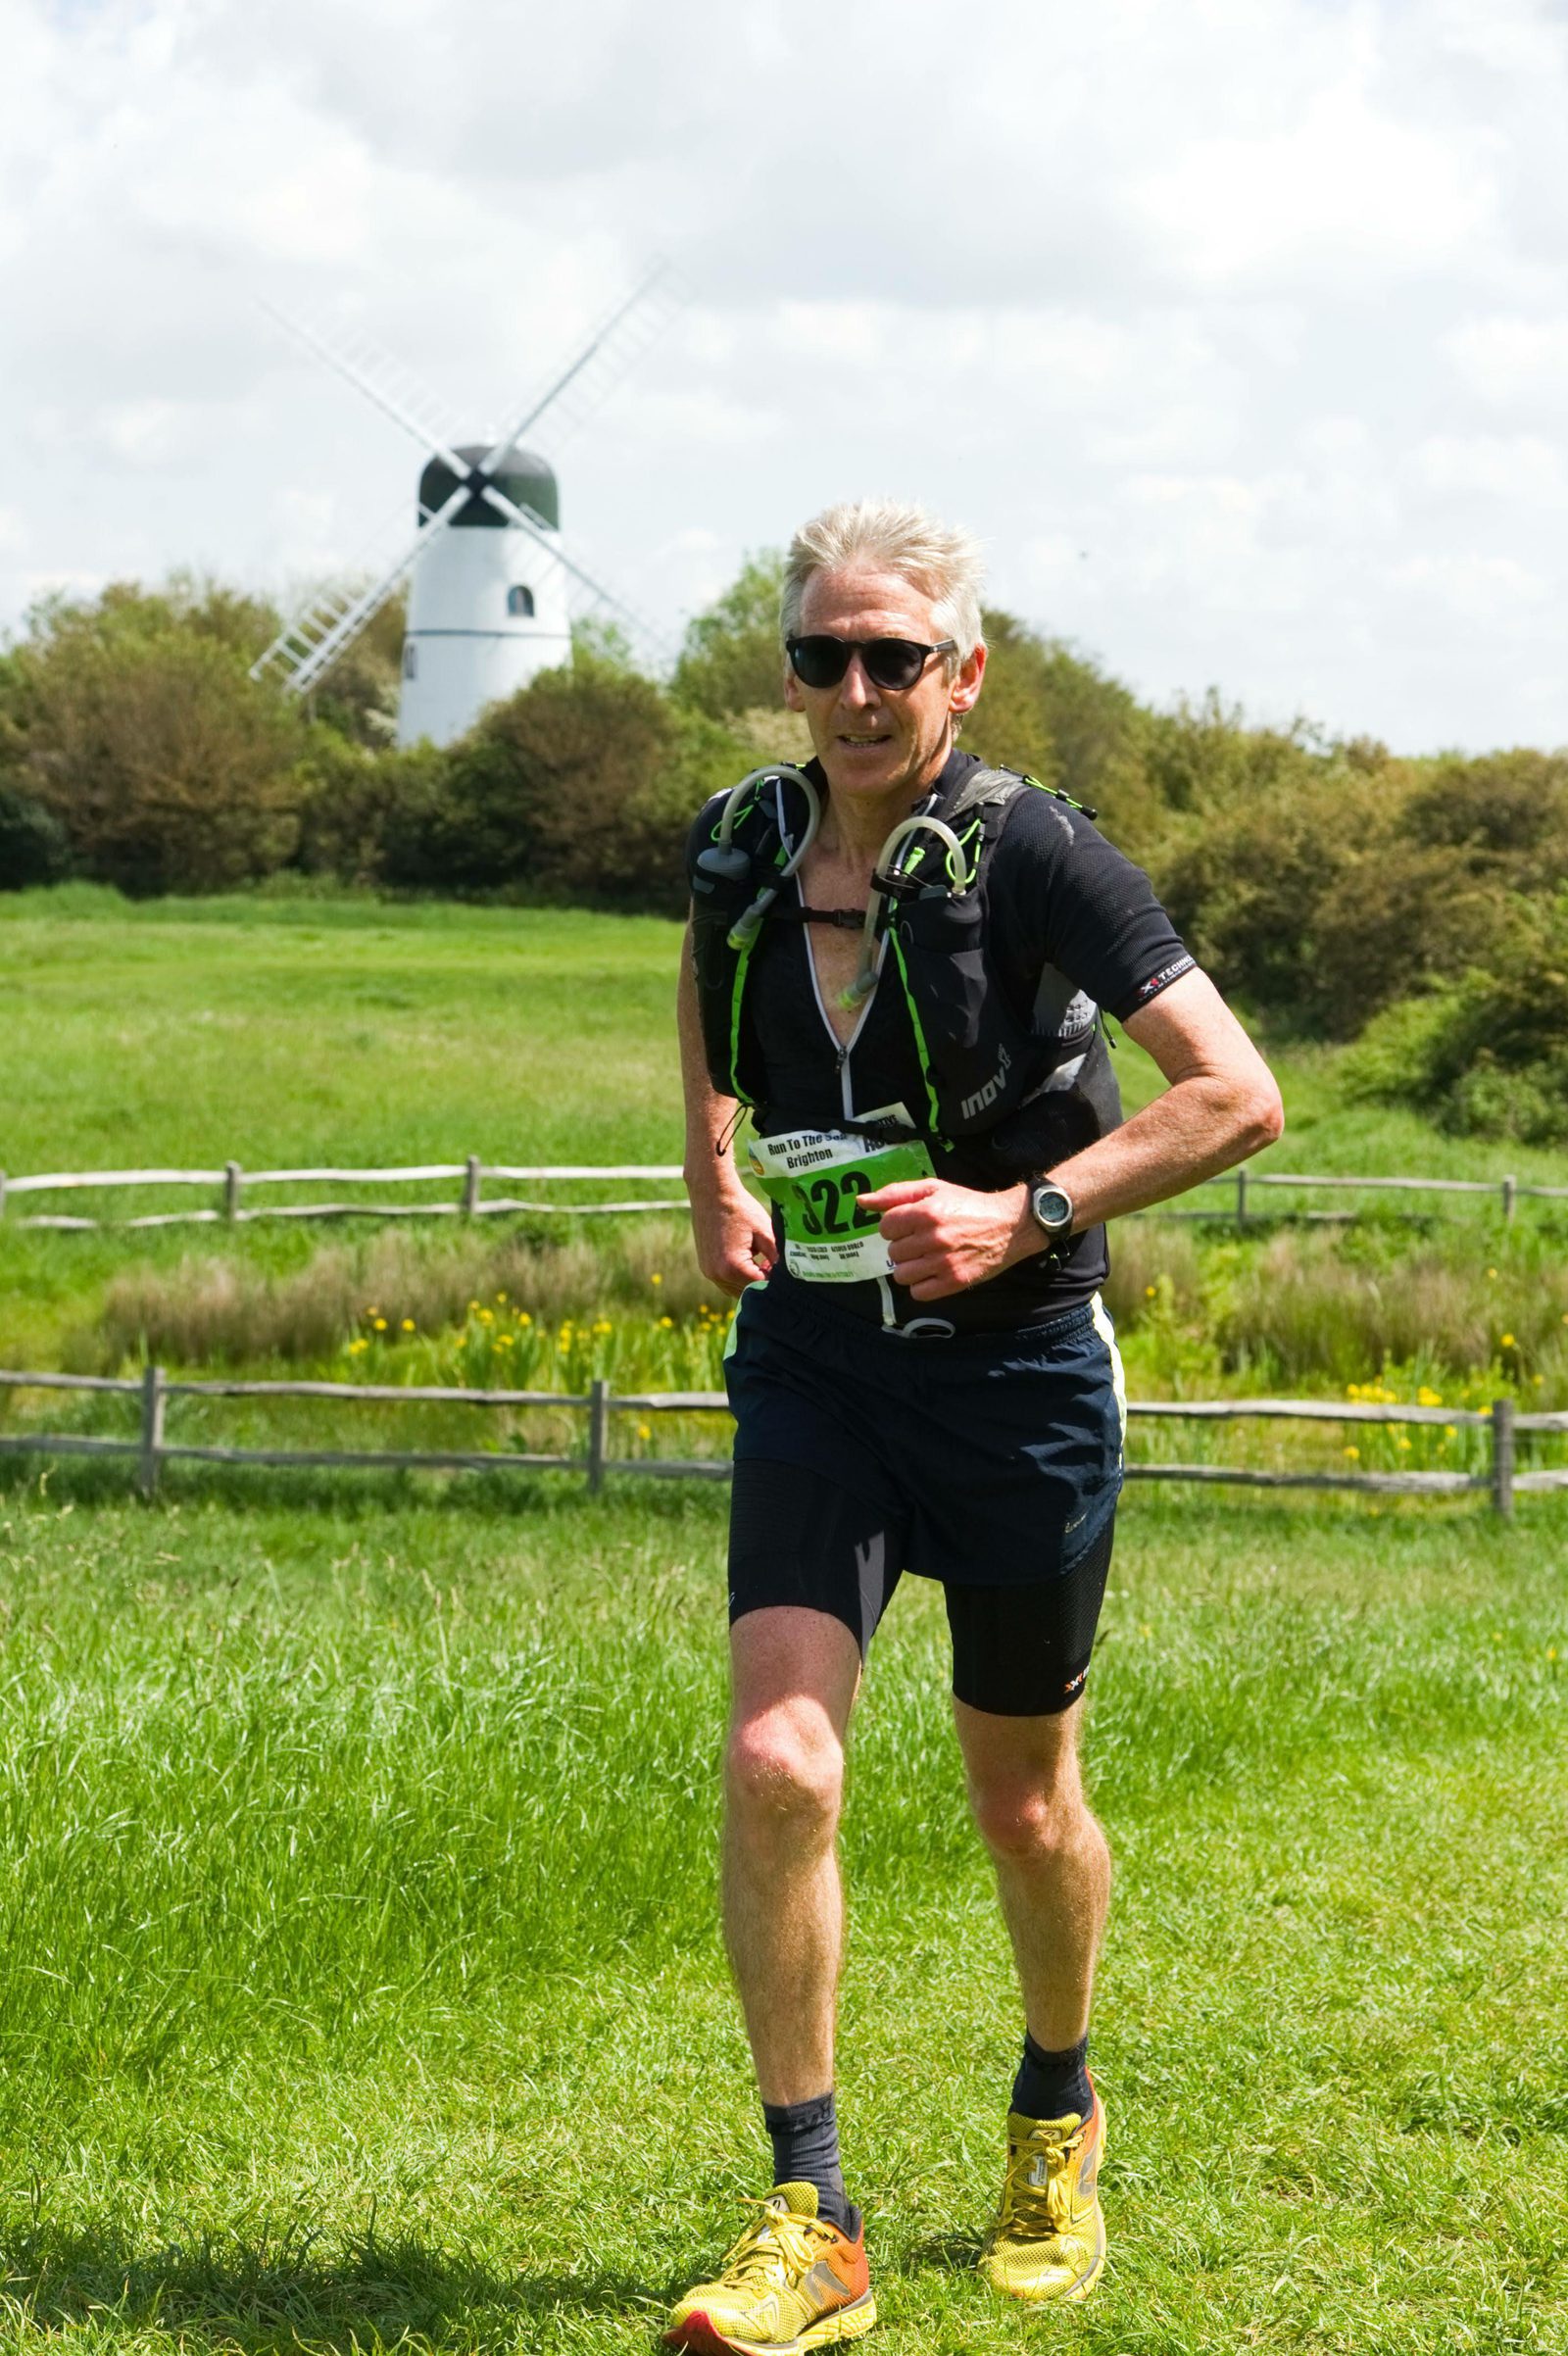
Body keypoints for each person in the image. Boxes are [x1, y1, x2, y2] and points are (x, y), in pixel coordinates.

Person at [664, 499, 1282, 2351]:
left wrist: (1032, 1213)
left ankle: (1055, 2107)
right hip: (820, 1363)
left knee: (1023, 1799)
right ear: (790, 672)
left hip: (1017, 1376)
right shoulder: (745, 842)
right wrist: (710, 1167)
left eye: (892, 659)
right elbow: (704, 990)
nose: (853, 693)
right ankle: (809, 2212)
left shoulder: (1037, 859)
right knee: (782, 1759)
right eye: (819, 657)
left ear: (962, 672)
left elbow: (1238, 1097)